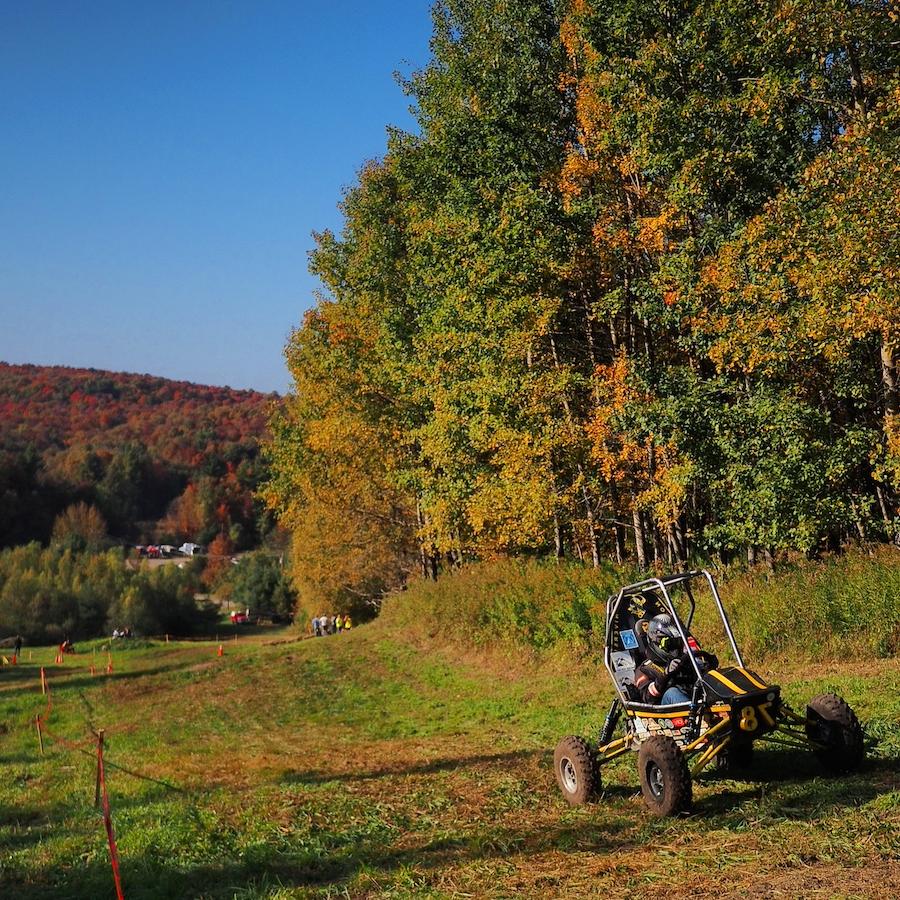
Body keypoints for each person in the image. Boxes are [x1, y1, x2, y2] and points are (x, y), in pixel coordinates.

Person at [633, 613, 717, 705]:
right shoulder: (645, 669)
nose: (675, 647)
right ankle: (698, 716)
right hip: (666, 712)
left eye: (678, 641)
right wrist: (665, 676)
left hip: (695, 696)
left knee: (713, 678)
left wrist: (708, 662)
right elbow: (648, 698)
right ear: (658, 643)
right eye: (671, 643)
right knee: (672, 692)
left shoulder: (685, 656)